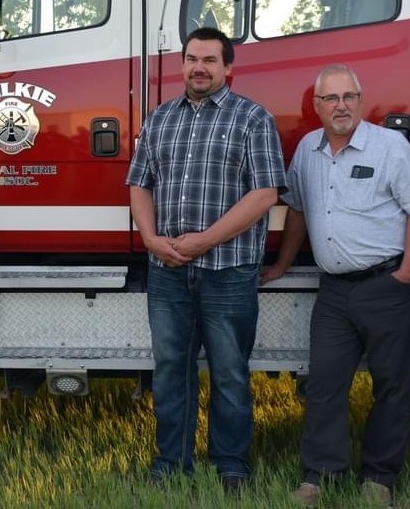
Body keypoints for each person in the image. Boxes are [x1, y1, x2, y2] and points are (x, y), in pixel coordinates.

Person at [262, 64, 410, 508]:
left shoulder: (389, 146)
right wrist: (283, 262)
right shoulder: (307, 149)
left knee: (392, 385)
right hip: (334, 290)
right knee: (323, 383)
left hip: (388, 283)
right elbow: (297, 210)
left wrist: (409, 272)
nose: (341, 106)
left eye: (349, 97)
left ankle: (379, 478)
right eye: (331, 99)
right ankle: (319, 476)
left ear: (360, 101)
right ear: (317, 107)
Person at [125, 27, 285, 492]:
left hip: (229, 271)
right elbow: (139, 183)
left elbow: (265, 194)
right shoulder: (159, 119)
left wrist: (204, 241)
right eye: (192, 58)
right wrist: (152, 239)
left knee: (230, 371)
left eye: (210, 60)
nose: (199, 67)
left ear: (228, 68)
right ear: (183, 64)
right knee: (171, 368)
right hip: (168, 269)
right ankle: (170, 463)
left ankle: (231, 464)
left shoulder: (252, 118)